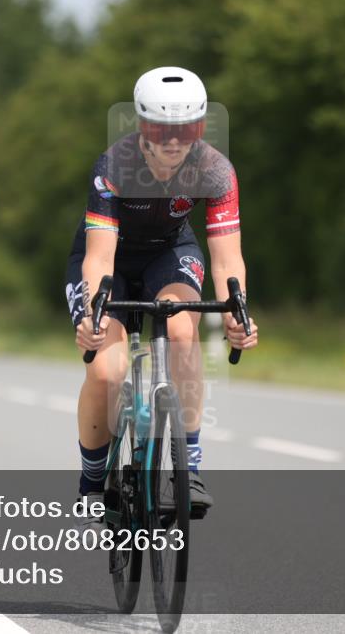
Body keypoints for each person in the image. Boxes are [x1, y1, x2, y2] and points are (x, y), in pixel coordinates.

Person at [64, 67, 258, 527]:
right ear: (142, 128)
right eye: (160, 130)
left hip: (169, 255)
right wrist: (93, 315)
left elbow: (228, 262)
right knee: (108, 370)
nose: (174, 142)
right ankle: (92, 482)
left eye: (187, 129)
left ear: (200, 129)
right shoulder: (114, 167)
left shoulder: (215, 171)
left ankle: (187, 468)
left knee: (181, 329)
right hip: (108, 259)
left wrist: (239, 315)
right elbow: (99, 259)